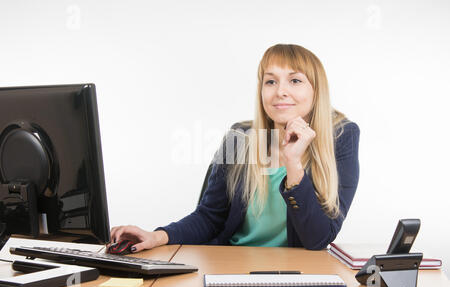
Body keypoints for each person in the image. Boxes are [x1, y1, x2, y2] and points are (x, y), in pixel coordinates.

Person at [110, 44, 360, 252]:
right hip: (230, 264)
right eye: (270, 81)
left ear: (317, 91)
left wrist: (293, 163)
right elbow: (210, 217)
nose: (280, 92)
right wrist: (157, 237)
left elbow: (317, 239)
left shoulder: (342, 136)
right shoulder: (240, 137)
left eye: (295, 80)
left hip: (298, 272)